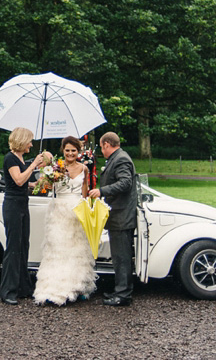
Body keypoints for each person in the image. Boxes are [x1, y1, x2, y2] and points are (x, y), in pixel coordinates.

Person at [33, 136, 97, 306]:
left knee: (76, 250)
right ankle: (53, 288)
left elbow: (84, 191)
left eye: (73, 150)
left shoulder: (84, 169)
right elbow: (44, 186)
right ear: (63, 151)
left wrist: (87, 209)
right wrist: (50, 177)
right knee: (58, 249)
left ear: (78, 152)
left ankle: (76, 287)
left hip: (77, 213)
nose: (70, 153)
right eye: (67, 150)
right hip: (59, 211)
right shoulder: (55, 167)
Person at [88, 132, 138, 307]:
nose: (102, 150)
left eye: (102, 147)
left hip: (122, 215)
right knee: (118, 255)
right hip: (118, 215)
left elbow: (125, 183)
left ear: (107, 144)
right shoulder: (118, 158)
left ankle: (123, 295)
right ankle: (119, 289)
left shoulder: (121, 159)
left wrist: (102, 191)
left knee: (122, 256)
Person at [0, 127, 48, 305]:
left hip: (22, 204)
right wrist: (34, 164)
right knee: (13, 247)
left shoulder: (19, 158)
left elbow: (23, 183)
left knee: (23, 245)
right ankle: (8, 291)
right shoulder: (10, 158)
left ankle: (22, 286)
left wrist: (36, 183)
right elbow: (18, 179)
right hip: (12, 205)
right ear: (21, 141)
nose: (31, 144)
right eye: (29, 141)